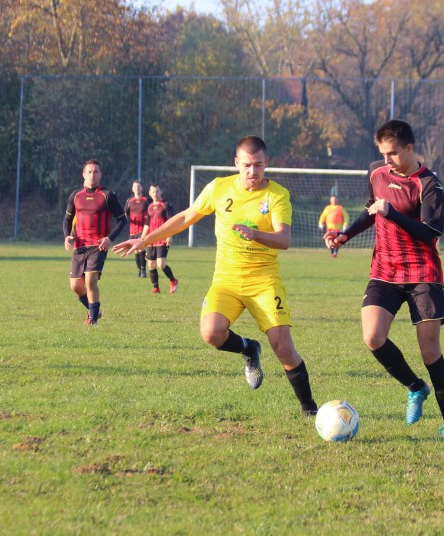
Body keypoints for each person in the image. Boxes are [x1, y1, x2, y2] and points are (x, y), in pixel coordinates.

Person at [113, 136, 317, 415]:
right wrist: (145, 240)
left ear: (266, 163)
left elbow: (284, 239)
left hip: (263, 280)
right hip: (226, 280)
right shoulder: (219, 188)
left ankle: (310, 410)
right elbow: (185, 217)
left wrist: (255, 234)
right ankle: (248, 348)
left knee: (282, 346)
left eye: (258, 165)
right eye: (246, 165)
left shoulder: (277, 195)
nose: (252, 171)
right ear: (236, 163)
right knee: (211, 333)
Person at [324, 119, 444, 437]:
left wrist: (393, 213)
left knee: (430, 352)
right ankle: (415, 387)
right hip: (385, 271)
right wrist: (344, 235)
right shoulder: (376, 173)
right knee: (372, 337)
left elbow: (431, 233)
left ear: (410, 148)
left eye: (392, 154)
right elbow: (371, 210)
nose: (386, 160)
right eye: (383, 154)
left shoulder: (430, 184)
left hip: (422, 274)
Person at [63, 159, 128, 325]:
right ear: (83, 174)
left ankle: (92, 320)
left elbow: (122, 220)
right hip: (79, 246)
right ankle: (95, 311)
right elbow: (68, 218)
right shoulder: (75, 196)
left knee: (90, 280)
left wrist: (109, 238)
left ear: (101, 174)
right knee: (76, 287)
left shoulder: (107, 195)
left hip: (98, 245)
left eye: (96, 172)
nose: (93, 175)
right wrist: (67, 235)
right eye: (89, 172)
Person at [142, 183, 179, 294]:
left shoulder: (166, 205)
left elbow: (171, 222)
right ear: (149, 193)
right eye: (153, 192)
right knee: (150, 264)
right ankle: (156, 288)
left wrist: (169, 236)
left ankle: (173, 280)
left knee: (160, 264)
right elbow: (147, 224)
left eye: (157, 191)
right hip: (151, 239)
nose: (155, 194)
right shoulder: (149, 207)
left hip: (163, 238)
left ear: (160, 192)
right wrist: (141, 239)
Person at [124, 180, 149, 278]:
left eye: (138, 186)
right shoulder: (129, 201)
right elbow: (125, 213)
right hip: (133, 229)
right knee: (135, 250)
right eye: (135, 186)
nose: (137, 188)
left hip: (143, 229)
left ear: (142, 188)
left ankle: (143, 269)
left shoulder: (146, 200)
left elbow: (151, 212)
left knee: (141, 248)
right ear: (132, 188)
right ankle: (139, 269)